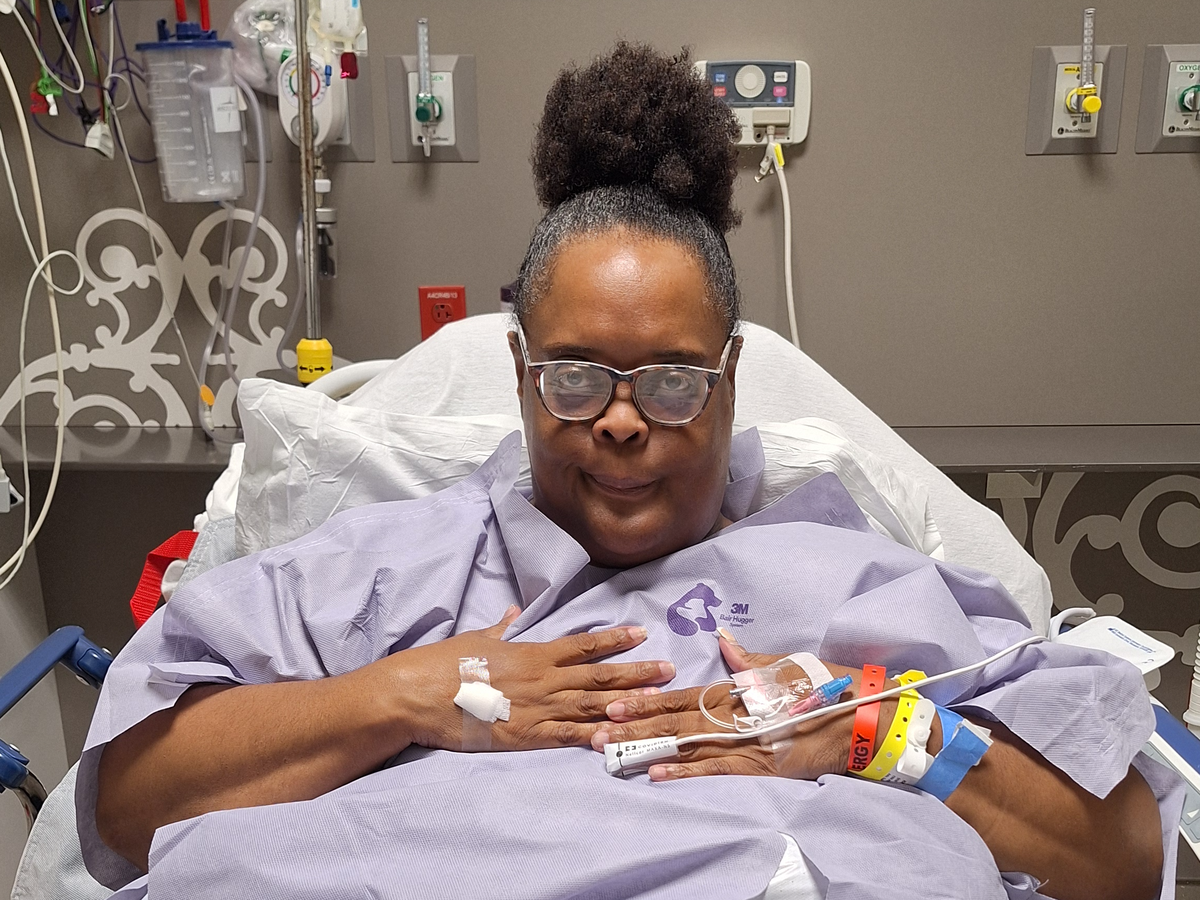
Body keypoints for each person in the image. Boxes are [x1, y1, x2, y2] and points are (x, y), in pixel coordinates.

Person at [80, 44, 1179, 900]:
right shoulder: (381, 571)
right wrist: (411, 696)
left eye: (670, 381)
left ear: (730, 383)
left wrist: (864, 731)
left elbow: (1122, 863)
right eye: (574, 378)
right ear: (520, 374)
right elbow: (130, 807)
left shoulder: (859, 588)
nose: (618, 421)